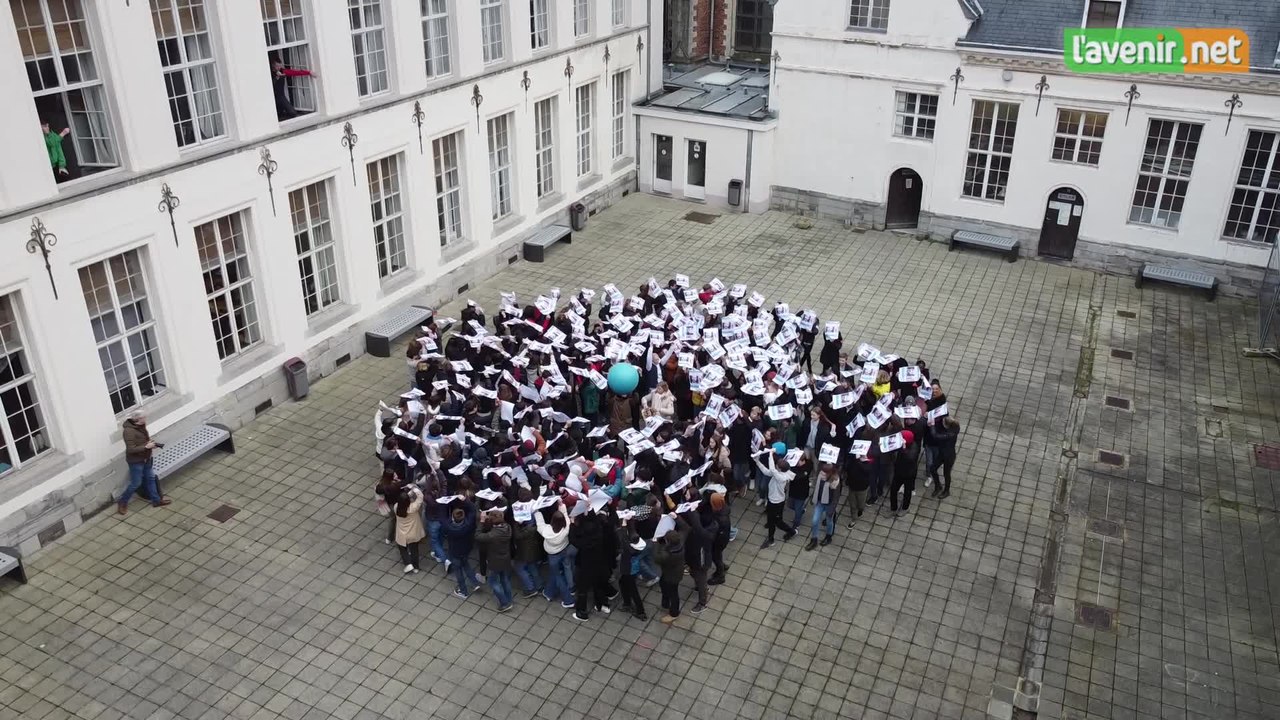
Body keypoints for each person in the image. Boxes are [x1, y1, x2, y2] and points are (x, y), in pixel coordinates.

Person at [119, 413, 172, 516]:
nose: (146, 418)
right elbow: (131, 449)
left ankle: (156, 501)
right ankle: (122, 502)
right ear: (138, 419)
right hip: (136, 462)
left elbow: (142, 441)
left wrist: (150, 444)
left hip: (146, 459)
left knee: (151, 478)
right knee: (136, 483)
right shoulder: (128, 431)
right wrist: (147, 447)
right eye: (144, 417)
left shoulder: (141, 426)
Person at [753, 452, 796, 549]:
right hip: (772, 500)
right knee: (771, 519)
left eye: (777, 465)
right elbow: (767, 471)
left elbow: (772, 469)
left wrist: (770, 455)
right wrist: (757, 462)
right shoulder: (778, 473)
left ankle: (788, 532)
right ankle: (771, 530)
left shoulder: (781, 477)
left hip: (777, 502)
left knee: (777, 522)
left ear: (780, 468)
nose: (775, 466)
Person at [535, 502, 575, 608]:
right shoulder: (566, 528)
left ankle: (568, 600)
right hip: (564, 550)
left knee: (557, 576)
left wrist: (536, 511)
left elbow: (540, 523)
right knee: (558, 572)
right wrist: (561, 505)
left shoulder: (546, 531)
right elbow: (565, 515)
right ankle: (549, 593)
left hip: (552, 555)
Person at [475, 510, 515, 611]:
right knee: (505, 579)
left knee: (492, 582)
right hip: (505, 558)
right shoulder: (508, 527)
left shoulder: (492, 535)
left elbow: (478, 536)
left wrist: (482, 521)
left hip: (495, 561)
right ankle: (509, 599)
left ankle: (505, 603)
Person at [443, 501, 481, 598]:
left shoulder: (449, 527)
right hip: (466, 549)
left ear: (453, 518)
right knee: (466, 564)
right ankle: (475, 583)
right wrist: (464, 500)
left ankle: (463, 591)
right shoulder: (468, 525)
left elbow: (442, 516)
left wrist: (445, 503)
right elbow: (472, 509)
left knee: (458, 571)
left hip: (455, 551)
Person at [616, 520, 648, 620]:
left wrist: (624, 525)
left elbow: (624, 539)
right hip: (633, 569)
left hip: (628, 569)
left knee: (633, 590)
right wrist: (629, 522)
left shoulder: (629, 550)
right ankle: (627, 603)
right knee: (623, 583)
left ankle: (640, 611)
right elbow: (630, 534)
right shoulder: (639, 547)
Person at [654, 526, 686, 624]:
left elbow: (657, 558)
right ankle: (665, 604)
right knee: (663, 585)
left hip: (672, 576)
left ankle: (674, 614)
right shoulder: (680, 544)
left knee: (673, 594)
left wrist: (656, 544)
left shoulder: (669, 554)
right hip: (674, 572)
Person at [805, 463, 841, 550]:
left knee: (829, 521)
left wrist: (832, 508)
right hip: (820, 502)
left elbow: (836, 497)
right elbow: (817, 487)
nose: (823, 473)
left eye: (825, 472)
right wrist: (813, 497)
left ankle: (828, 537)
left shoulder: (835, 481)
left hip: (829, 504)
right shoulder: (821, 474)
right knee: (814, 521)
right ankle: (814, 539)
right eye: (823, 471)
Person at [270, 55, 315, 120]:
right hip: (273, 97)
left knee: (292, 113)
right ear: (273, 65)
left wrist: (309, 72)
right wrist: (277, 78)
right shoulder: (269, 73)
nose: (279, 68)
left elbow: (295, 72)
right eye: (277, 66)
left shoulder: (282, 71)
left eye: (280, 66)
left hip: (281, 96)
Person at [393, 486, 425, 573]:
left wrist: (408, 494)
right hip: (413, 532)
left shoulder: (396, 507)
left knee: (402, 548)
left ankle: (408, 563)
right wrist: (414, 489)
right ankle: (416, 567)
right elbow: (420, 497)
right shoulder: (413, 508)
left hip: (402, 533)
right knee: (414, 550)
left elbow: (402, 501)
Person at [889, 430, 920, 517]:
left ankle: (905, 508)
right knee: (893, 489)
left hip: (909, 474)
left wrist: (903, 447)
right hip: (899, 471)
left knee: (907, 491)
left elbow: (910, 457)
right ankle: (893, 508)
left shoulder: (914, 447)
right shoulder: (902, 445)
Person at [928, 416, 961, 499]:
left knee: (946, 474)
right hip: (942, 453)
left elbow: (935, 436)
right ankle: (938, 486)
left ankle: (947, 491)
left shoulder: (949, 434)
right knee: (932, 468)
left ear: (946, 425)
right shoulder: (954, 428)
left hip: (949, 456)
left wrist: (932, 426)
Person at [708, 492, 731, 585]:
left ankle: (720, 576)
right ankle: (722, 567)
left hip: (719, 541)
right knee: (718, 555)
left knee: (715, 556)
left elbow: (717, 532)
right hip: (723, 539)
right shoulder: (724, 508)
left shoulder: (720, 519)